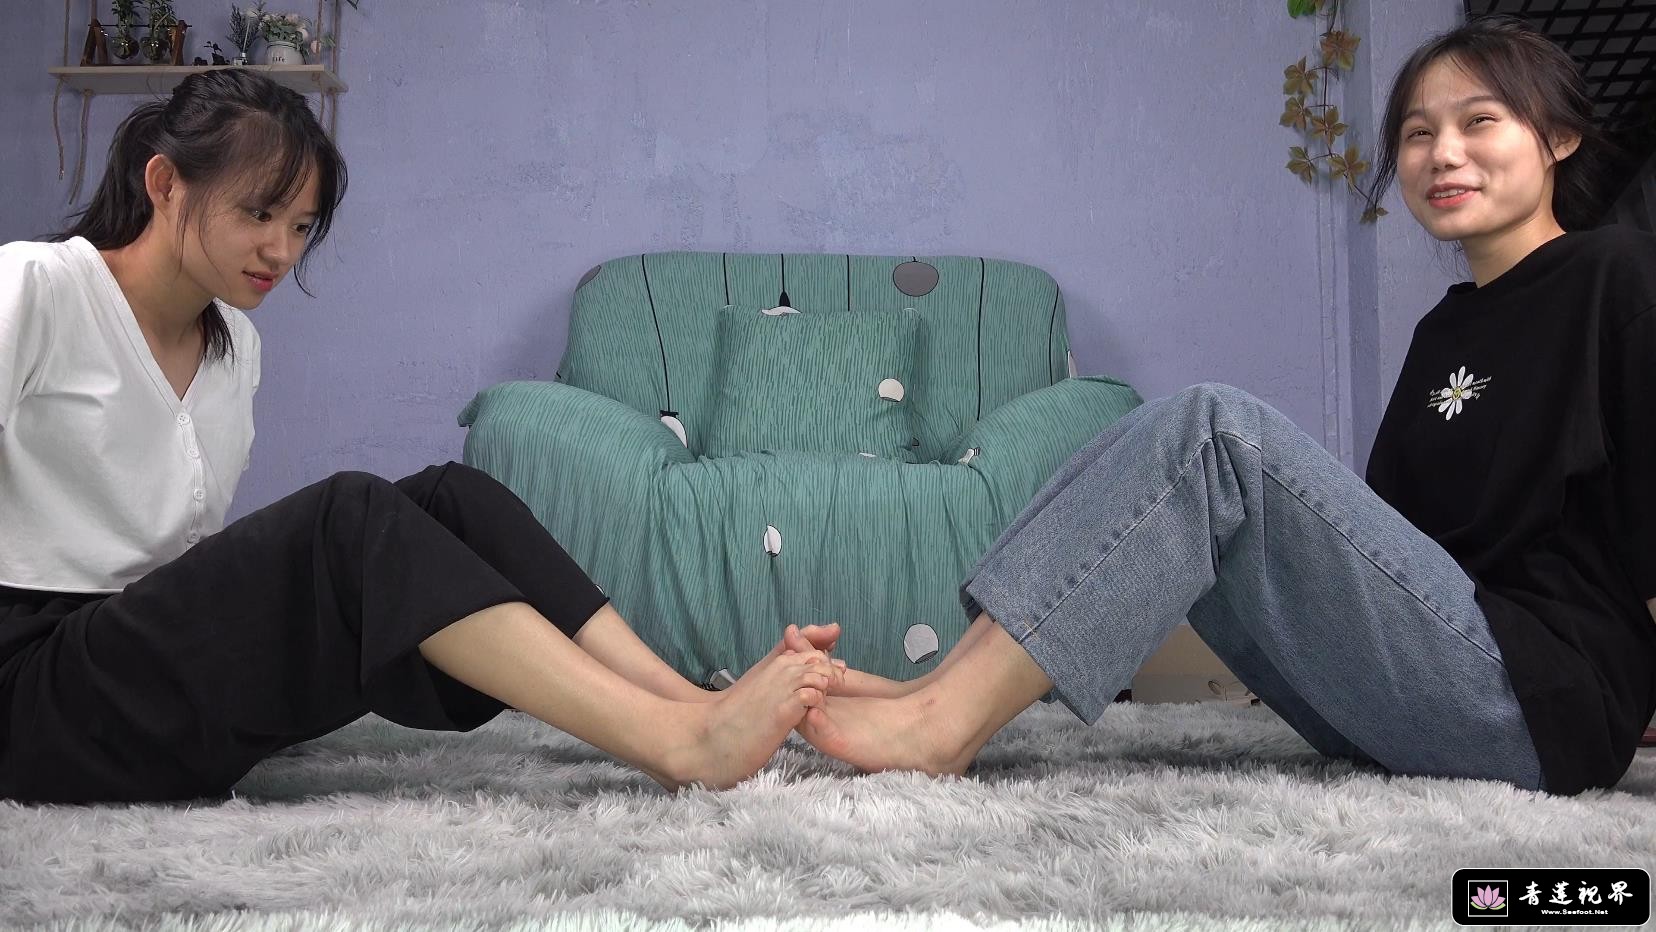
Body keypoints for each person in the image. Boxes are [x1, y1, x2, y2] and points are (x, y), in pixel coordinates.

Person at [794, 14, 1656, 796]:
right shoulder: (1445, 331)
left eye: (1480, 121)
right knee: (1150, 442)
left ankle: (941, 725)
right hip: (1426, 682)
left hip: (1537, 699)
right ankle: (939, 690)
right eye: (1419, 133)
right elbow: (1401, 551)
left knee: (1212, 431)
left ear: (1559, 136)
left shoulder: (1616, 276)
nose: (1443, 153)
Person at [0, 69, 841, 804]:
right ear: (165, 183)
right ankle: (671, 745)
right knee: (350, 516)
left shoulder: (234, 349)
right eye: (259, 213)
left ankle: (686, 703)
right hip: (38, 694)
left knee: (452, 496)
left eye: (301, 227)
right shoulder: (38, 287)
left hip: (152, 672)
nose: (281, 251)